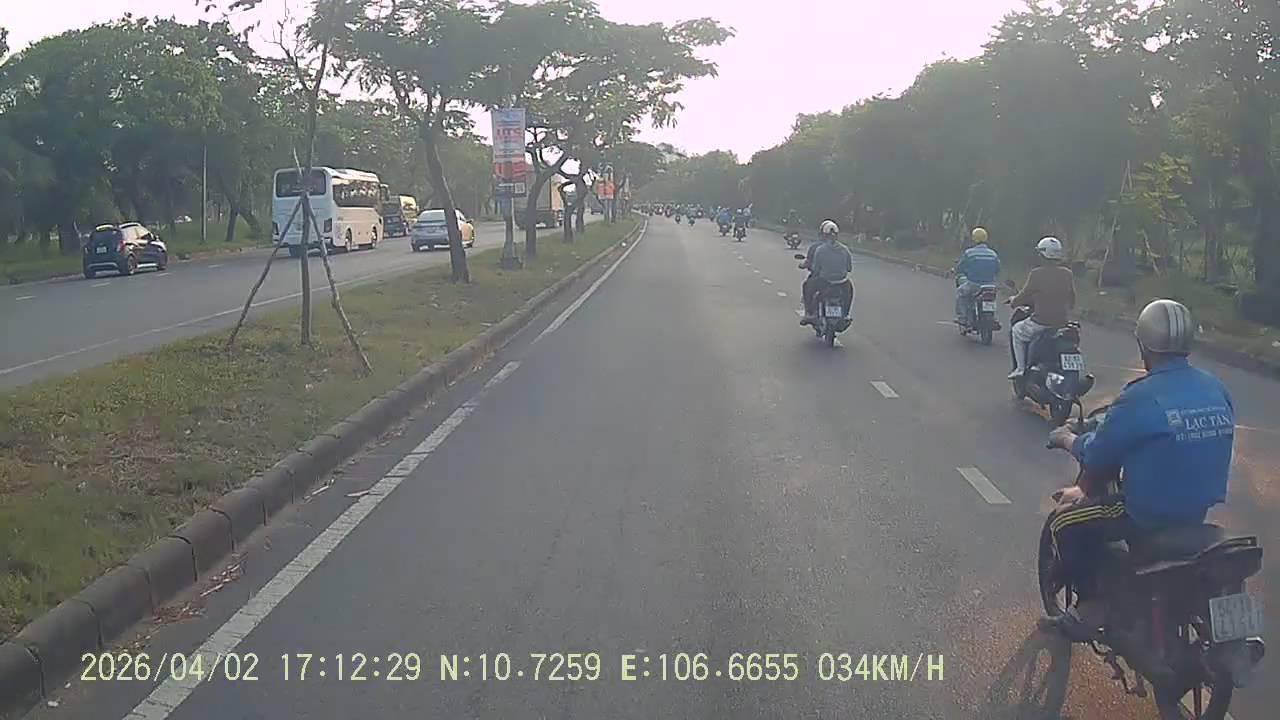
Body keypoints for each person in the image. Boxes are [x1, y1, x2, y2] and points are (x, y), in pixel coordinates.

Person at [1045, 299, 1232, 635]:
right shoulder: (1214, 387)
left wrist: (1066, 438)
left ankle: (1090, 605)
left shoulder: (1140, 396)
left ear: (1144, 346)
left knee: (1063, 521)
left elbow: (1097, 454)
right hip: (1197, 513)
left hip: (1146, 515)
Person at [1007, 236, 1075, 379]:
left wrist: (1014, 302)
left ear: (1042, 255)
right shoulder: (1067, 274)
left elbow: (1024, 294)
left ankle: (1020, 369)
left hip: (1040, 323)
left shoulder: (1036, 274)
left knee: (1016, 331)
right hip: (1062, 323)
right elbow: (1072, 298)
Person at [800, 220, 854, 324]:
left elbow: (816, 269)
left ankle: (810, 314)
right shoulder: (845, 249)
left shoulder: (819, 249)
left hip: (824, 281)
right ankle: (845, 314)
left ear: (823, 234)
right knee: (849, 291)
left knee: (807, 286)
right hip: (842, 283)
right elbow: (849, 268)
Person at [954, 227, 1001, 325]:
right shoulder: (993, 254)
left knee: (960, 293)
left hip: (974, 284)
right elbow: (997, 269)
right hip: (990, 285)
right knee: (991, 299)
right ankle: (993, 317)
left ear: (973, 239)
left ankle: (963, 318)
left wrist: (957, 271)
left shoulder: (969, 253)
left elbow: (960, 267)